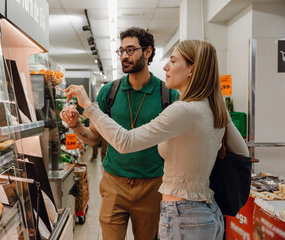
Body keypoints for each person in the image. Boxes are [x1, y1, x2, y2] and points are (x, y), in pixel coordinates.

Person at [61, 40, 249, 239]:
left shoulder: (182, 109)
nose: (166, 67)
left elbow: (125, 142)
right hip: (209, 213)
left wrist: (89, 107)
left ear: (191, 70)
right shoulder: (215, 107)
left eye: (174, 61)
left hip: (182, 216)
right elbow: (241, 153)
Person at [60, 27, 179, 240]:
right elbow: (94, 137)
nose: (124, 55)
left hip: (152, 185)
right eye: (121, 50)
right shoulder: (109, 92)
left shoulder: (168, 96)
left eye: (131, 50)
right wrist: (77, 125)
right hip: (114, 184)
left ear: (148, 51)